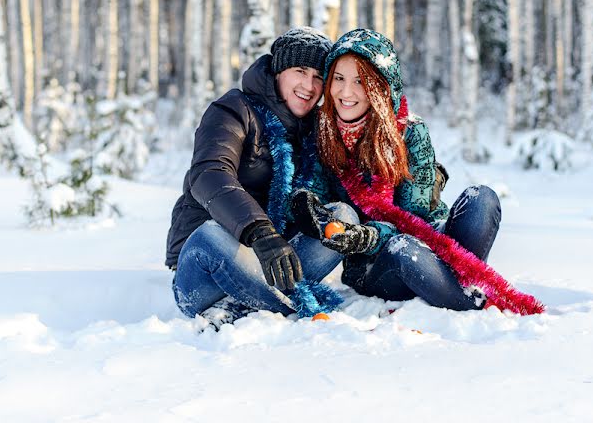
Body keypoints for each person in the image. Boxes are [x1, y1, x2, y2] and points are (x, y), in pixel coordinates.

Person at [293, 28, 542, 315]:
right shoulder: (322, 133)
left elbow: (417, 217)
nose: (346, 92)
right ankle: (469, 303)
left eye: (360, 81)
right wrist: (311, 208)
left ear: (382, 86)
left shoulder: (410, 131)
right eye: (338, 78)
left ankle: (446, 285)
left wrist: (372, 232)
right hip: (375, 266)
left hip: (429, 239)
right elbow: (316, 195)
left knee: (481, 198)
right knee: (403, 248)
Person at [166, 27, 350, 321]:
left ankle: (255, 300)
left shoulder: (316, 128)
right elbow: (210, 173)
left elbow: (349, 180)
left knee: (342, 216)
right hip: (209, 264)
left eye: (318, 77)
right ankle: (297, 310)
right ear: (278, 70)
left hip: (273, 263)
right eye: (300, 71)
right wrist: (260, 233)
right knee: (212, 235)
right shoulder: (234, 109)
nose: (309, 85)